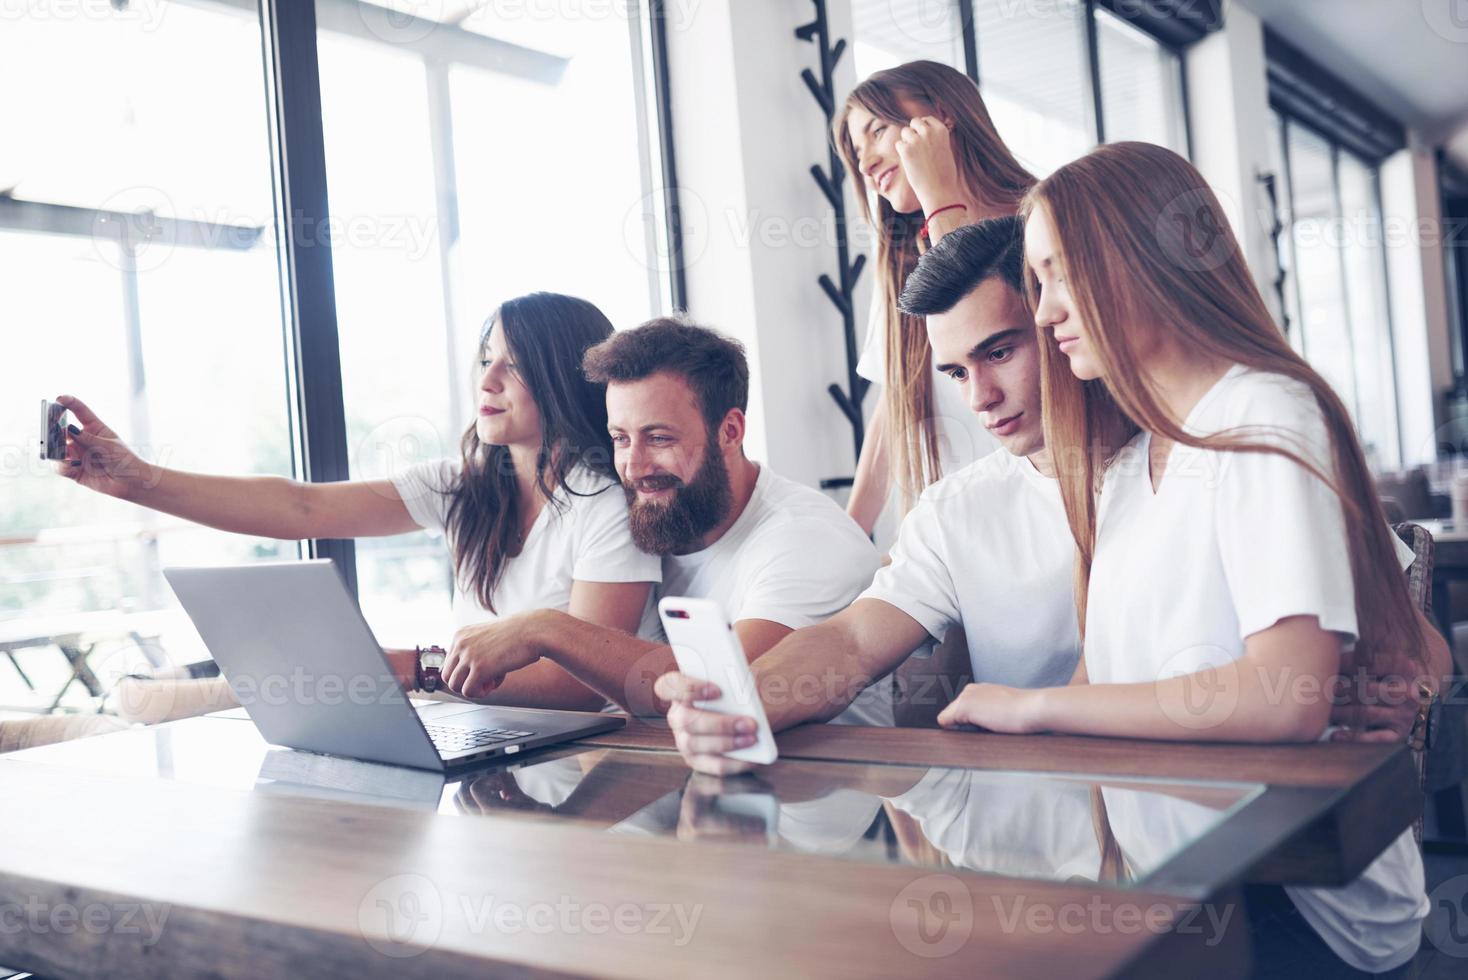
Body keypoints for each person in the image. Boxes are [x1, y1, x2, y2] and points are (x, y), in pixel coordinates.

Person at [654, 219, 1449, 774]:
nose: (982, 397)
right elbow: (855, 643)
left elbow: (1417, 645)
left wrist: (1402, 687)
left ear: (1062, 323)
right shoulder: (960, 510)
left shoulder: (1207, 449)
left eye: (1001, 351)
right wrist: (742, 703)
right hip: (1058, 828)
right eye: (959, 372)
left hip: (1235, 826)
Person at [940, 142, 1433, 976]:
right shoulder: (1130, 467)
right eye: (1039, 281)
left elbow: (1287, 699)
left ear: (1146, 259)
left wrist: (1035, 708)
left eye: (1062, 274)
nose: (1048, 310)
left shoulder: (1265, 414)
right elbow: (1107, 678)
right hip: (1185, 890)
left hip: (1300, 908)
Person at [56, 292, 659, 710]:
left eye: (515, 365)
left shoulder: (607, 505)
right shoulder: (466, 484)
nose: (487, 381)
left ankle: (189, 696)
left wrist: (412, 668)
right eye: (484, 359)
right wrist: (140, 481)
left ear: (562, 377)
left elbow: (581, 686)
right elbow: (301, 510)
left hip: (590, 753)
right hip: (488, 730)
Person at [436, 317, 890, 725]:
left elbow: (720, 693)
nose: (633, 466)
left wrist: (545, 629)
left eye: (658, 438)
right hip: (714, 791)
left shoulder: (804, 541)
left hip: (829, 802)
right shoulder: (667, 522)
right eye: (620, 439)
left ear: (729, 432)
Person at [835, 60, 1035, 530]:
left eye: (878, 130)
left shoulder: (1047, 219)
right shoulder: (905, 262)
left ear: (942, 114)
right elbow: (896, 397)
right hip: (960, 529)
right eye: (856, 152)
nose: (865, 164)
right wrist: (847, 534)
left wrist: (940, 195)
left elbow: (976, 321)